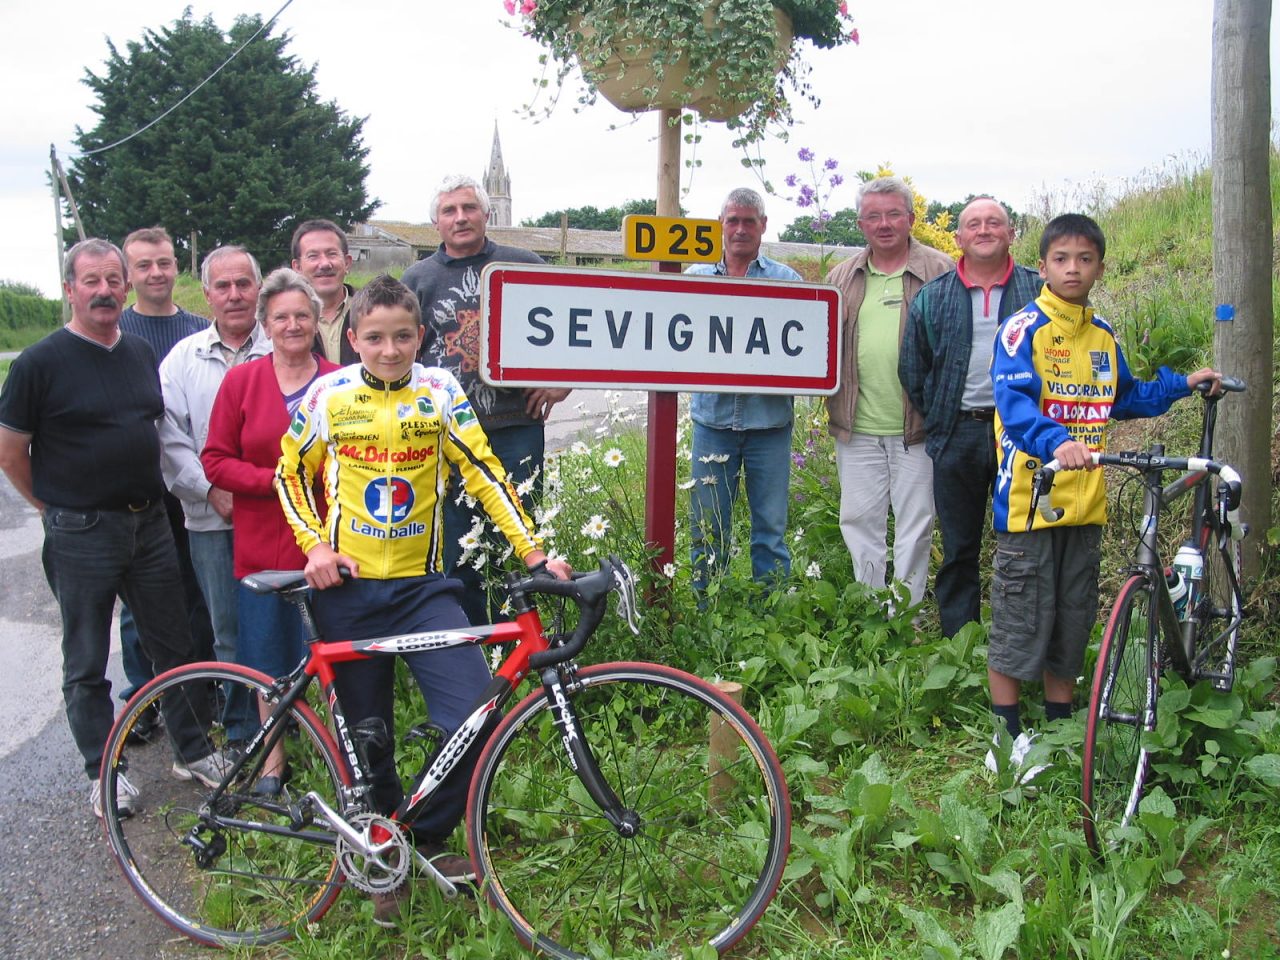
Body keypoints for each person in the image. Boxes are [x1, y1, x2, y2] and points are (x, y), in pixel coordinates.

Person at [276, 274, 572, 923]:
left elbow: (485, 471)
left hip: (423, 589)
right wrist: (313, 547)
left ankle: (422, 836)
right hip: (347, 592)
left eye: (402, 336)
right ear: (352, 338)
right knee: (368, 737)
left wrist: (533, 551)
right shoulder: (328, 394)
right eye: (375, 337)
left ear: (420, 338)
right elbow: (289, 470)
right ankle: (382, 858)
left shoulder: (440, 390)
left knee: (475, 710)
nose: (389, 350)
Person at [0, 238, 229, 819]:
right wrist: (51, 507)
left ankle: (196, 751)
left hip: (148, 523)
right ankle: (105, 772)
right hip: (81, 531)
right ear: (70, 289)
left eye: (112, 280)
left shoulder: (133, 354)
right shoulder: (38, 364)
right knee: (85, 660)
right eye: (91, 281)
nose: (104, 291)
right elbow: (10, 453)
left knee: (173, 647)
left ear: (123, 289)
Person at [987, 213, 1220, 776]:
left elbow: (1127, 397)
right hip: (1031, 505)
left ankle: (1063, 725)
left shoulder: (1104, 334)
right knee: (1020, 620)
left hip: (1086, 505)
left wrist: (1180, 385)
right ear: (1041, 266)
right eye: (1061, 259)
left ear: (1099, 266)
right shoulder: (1023, 329)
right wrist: (1057, 441)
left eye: (1084, 259)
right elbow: (1014, 408)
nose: (1073, 268)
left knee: (1072, 616)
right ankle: (1006, 738)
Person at [401, 174, 570, 624]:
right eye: (449, 211)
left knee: (523, 540)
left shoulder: (524, 264)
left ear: (487, 213)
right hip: (450, 440)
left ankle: (530, 643)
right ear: (435, 222)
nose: (460, 218)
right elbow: (400, 358)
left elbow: (573, 329)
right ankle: (478, 645)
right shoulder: (417, 279)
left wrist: (561, 383)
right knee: (462, 550)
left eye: (469, 208)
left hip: (516, 427)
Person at [202, 268, 340, 797]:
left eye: (301, 315)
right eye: (281, 316)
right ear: (265, 323)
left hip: (327, 543)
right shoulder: (242, 381)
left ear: (316, 319)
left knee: (326, 653)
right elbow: (214, 460)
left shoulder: (338, 381)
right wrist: (278, 482)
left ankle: (335, 761)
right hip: (261, 543)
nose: (292, 324)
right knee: (264, 657)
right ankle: (272, 764)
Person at [899, 199, 1043, 637]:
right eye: (973, 224)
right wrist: (942, 417)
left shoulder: (1039, 292)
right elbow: (912, 367)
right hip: (957, 434)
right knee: (959, 548)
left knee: (1023, 544)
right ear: (959, 238)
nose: (984, 230)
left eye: (994, 222)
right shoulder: (934, 295)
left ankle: (1017, 641)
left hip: (1022, 437)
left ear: (1011, 233)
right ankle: (960, 644)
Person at [825, 176, 954, 612]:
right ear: (860, 223)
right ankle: (872, 611)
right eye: (874, 215)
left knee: (916, 525)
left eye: (893, 213)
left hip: (917, 427)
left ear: (911, 219)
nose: (884, 224)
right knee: (859, 521)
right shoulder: (840, 277)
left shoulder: (941, 271)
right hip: (856, 425)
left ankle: (906, 616)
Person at [159, 245, 270, 743]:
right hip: (211, 520)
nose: (234, 295)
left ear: (258, 287)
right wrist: (212, 490)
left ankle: (288, 730)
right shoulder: (182, 360)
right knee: (226, 629)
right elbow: (170, 438)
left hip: (277, 520)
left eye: (243, 284)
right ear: (206, 296)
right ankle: (245, 731)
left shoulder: (286, 345)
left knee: (277, 629)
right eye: (222, 286)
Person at [116, 227, 216, 737]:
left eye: (164, 262)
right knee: (144, 600)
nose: (156, 273)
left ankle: (198, 686)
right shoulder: (119, 330)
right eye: (144, 265)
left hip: (198, 482)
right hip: (146, 488)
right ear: (129, 273)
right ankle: (142, 695)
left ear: (176, 266)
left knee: (196, 590)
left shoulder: (200, 328)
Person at [685, 187, 801, 593]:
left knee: (770, 529)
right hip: (712, 423)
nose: (739, 229)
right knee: (707, 527)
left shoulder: (789, 282)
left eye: (748, 221)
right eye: (732, 220)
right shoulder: (693, 281)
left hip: (769, 425)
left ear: (763, 226)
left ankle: (771, 612)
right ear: (721, 224)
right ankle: (707, 611)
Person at [290, 218, 358, 365]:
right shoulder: (288, 321)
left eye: (332, 254)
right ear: (297, 267)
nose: (325, 264)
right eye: (313, 256)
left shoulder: (370, 311)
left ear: (347, 262)